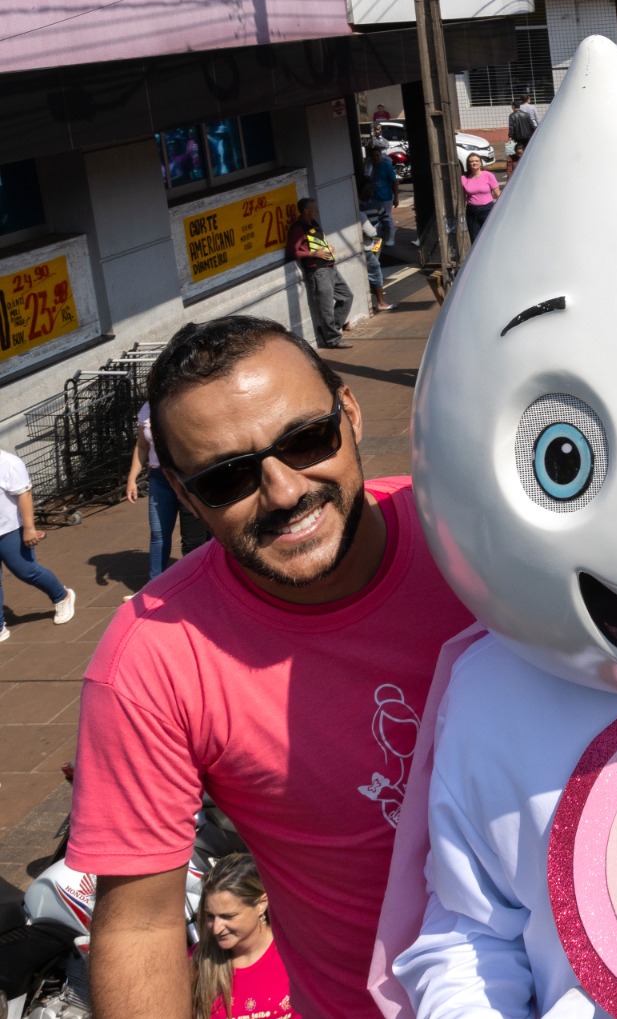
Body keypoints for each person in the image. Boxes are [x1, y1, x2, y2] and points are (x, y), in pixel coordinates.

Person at [68, 316, 475, 1019]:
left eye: (306, 439)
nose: (284, 491)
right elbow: (139, 924)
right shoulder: (155, 657)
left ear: (350, 413)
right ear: (184, 497)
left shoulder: (479, 532)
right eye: (228, 477)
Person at [191, 853, 300, 1019]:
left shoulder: (297, 956)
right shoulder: (194, 962)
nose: (216, 928)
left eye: (228, 916)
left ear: (261, 904)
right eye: (210, 916)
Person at [124, 400, 210, 593]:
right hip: (159, 478)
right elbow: (142, 446)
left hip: (186, 477)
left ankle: (196, 586)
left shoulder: (183, 402)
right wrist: (131, 478)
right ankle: (154, 586)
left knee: (193, 538)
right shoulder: (147, 409)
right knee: (158, 533)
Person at [0, 449, 75, 641]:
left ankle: (62, 596)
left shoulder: (9, 463)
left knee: (26, 571)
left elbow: (25, 494)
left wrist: (29, 528)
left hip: (10, 530)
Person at [284, 198, 352, 350]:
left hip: (330, 266)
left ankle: (330, 331)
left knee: (347, 297)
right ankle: (333, 339)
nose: (317, 211)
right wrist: (313, 254)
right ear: (306, 211)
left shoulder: (313, 223)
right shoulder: (298, 228)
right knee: (326, 306)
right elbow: (291, 252)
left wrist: (329, 247)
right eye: (314, 209)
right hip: (318, 271)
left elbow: (317, 242)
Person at [362, 142, 398, 247]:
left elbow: (394, 181)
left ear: (381, 155)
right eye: (373, 156)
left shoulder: (386, 166)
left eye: (377, 155)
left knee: (387, 217)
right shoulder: (370, 166)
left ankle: (391, 237)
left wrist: (396, 197)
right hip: (374, 197)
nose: (375, 158)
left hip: (386, 197)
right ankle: (380, 241)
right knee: (377, 221)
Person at [460, 153, 500, 243]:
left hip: (487, 209)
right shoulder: (464, 178)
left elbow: (498, 193)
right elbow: (463, 197)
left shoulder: (488, 175)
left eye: (477, 161)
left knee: (489, 237)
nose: (474, 163)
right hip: (471, 211)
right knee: (475, 240)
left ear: (480, 163)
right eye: (471, 161)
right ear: (468, 164)